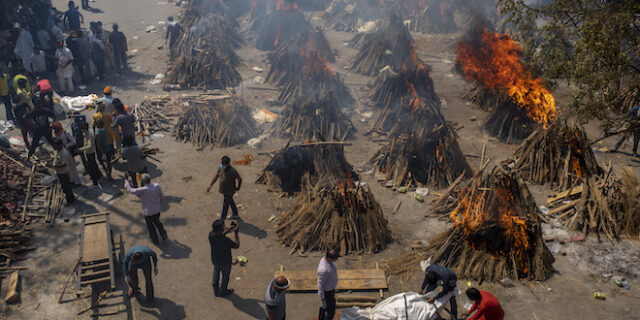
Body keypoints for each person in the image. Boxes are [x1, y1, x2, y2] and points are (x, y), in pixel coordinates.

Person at [124, 171, 167, 244]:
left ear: (143, 182)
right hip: (157, 210)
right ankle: (163, 234)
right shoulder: (157, 186)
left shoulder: (142, 190)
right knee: (158, 223)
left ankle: (155, 240)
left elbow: (130, 190)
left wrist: (126, 180)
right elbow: (162, 197)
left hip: (148, 213)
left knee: (151, 227)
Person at [208, 219, 239, 297]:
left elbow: (220, 234)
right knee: (225, 277)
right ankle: (223, 291)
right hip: (225, 261)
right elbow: (236, 245)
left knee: (216, 271)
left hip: (215, 259)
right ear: (221, 230)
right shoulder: (225, 240)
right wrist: (236, 233)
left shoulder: (211, 235)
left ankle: (215, 289)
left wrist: (229, 229)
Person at [206, 156, 242, 220]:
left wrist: (238, 187)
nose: (222, 165)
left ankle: (222, 220)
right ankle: (235, 214)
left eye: (223, 164)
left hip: (230, 191)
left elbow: (239, 179)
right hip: (224, 190)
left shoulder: (232, 171)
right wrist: (210, 185)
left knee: (225, 205)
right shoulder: (221, 167)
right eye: (221, 163)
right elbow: (216, 176)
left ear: (228, 164)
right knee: (230, 201)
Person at [52, 122, 82, 186]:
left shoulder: (66, 133)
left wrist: (65, 146)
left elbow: (73, 142)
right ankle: (71, 181)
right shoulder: (56, 134)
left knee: (72, 167)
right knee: (67, 168)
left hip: (68, 152)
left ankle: (77, 182)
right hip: (62, 152)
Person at [317, 248, 339, 320]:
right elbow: (320, 285)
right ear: (329, 258)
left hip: (331, 290)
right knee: (331, 312)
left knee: (324, 309)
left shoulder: (329, 262)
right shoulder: (323, 269)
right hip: (327, 293)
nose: (336, 260)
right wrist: (323, 299)